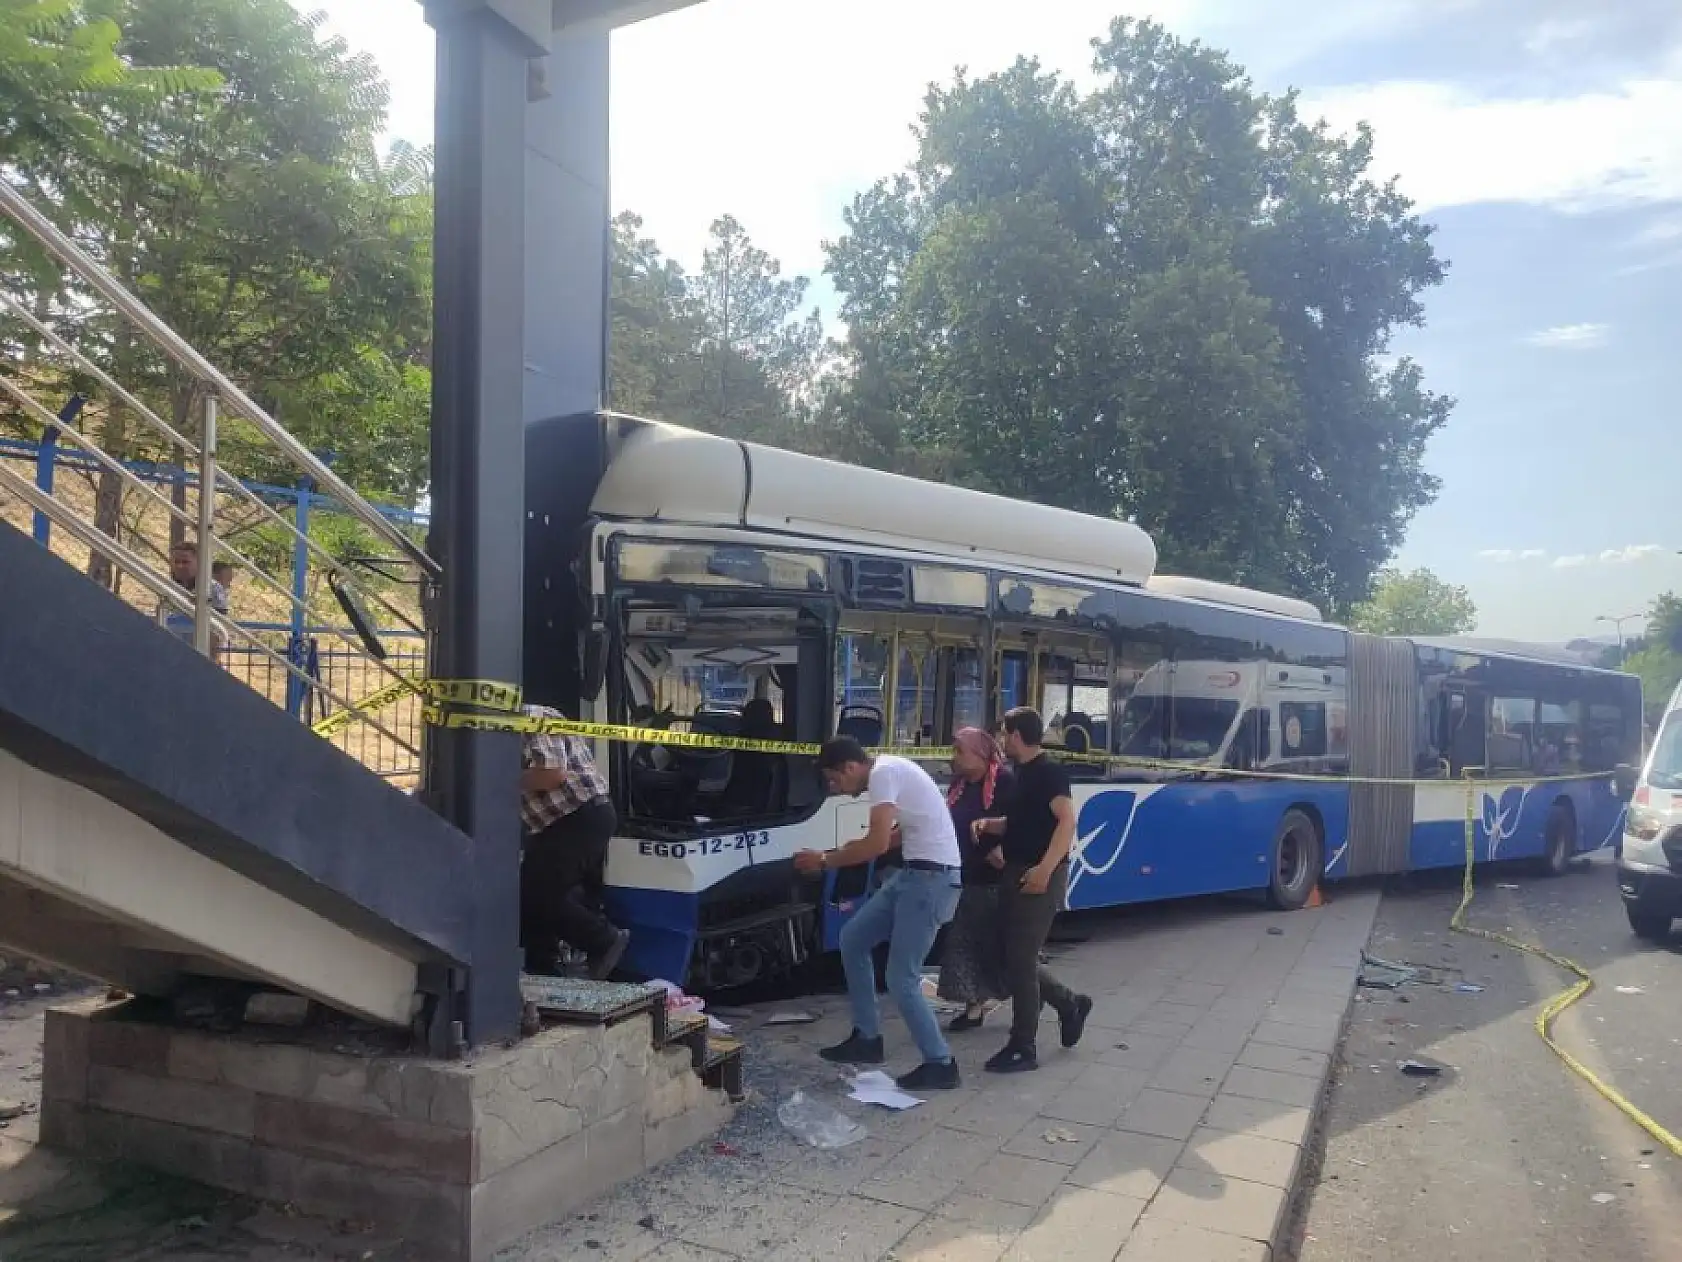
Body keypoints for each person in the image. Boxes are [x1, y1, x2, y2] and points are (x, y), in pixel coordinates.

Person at [794, 737, 963, 1091]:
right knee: (853, 939)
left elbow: (878, 844)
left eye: (834, 780)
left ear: (850, 767)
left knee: (902, 977)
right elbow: (900, 833)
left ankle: (941, 1063)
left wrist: (825, 860)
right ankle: (867, 1038)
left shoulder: (883, 774)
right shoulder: (889, 770)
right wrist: (850, 848)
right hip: (914, 874)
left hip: (930, 880)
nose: (834, 788)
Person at [972, 707, 1093, 1072]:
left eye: (1003, 733)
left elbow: (1066, 820)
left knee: (1021, 959)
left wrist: (1044, 869)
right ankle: (1069, 1003)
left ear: (1016, 735)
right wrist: (992, 825)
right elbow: (1023, 820)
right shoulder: (1021, 774)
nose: (1000, 741)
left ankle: (1023, 1045)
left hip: (1038, 875)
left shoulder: (1049, 773)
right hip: (1015, 870)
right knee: (1011, 955)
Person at [519, 706, 630, 980]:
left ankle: (603, 940)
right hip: (557, 824)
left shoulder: (530, 718)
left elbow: (552, 774)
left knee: (537, 894)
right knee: (532, 894)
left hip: (577, 816)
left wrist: (496, 779)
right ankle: (542, 968)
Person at [937, 727, 1014, 1031]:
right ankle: (973, 1007)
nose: (953, 757)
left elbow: (1020, 823)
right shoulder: (959, 785)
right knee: (964, 942)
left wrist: (1001, 848)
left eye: (960, 751)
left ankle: (1060, 998)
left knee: (999, 949)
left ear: (980, 754)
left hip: (996, 878)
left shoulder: (1005, 782)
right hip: (965, 874)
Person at [157, 541, 228, 657]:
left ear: (199, 563)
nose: (180, 566)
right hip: (171, 650)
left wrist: (209, 660)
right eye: (176, 562)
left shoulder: (212, 589)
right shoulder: (168, 587)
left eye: (185, 562)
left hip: (199, 651)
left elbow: (217, 628)